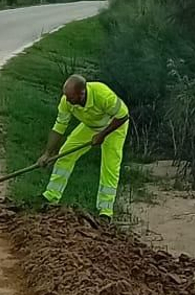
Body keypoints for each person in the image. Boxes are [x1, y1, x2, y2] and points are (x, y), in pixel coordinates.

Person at [39, 74, 129, 218]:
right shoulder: (66, 102)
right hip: (91, 126)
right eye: (66, 96)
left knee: (110, 167)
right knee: (66, 154)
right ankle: (51, 196)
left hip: (115, 127)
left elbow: (123, 116)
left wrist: (102, 135)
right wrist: (47, 153)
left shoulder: (102, 94)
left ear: (82, 93)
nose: (67, 100)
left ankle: (105, 211)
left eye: (71, 97)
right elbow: (59, 127)